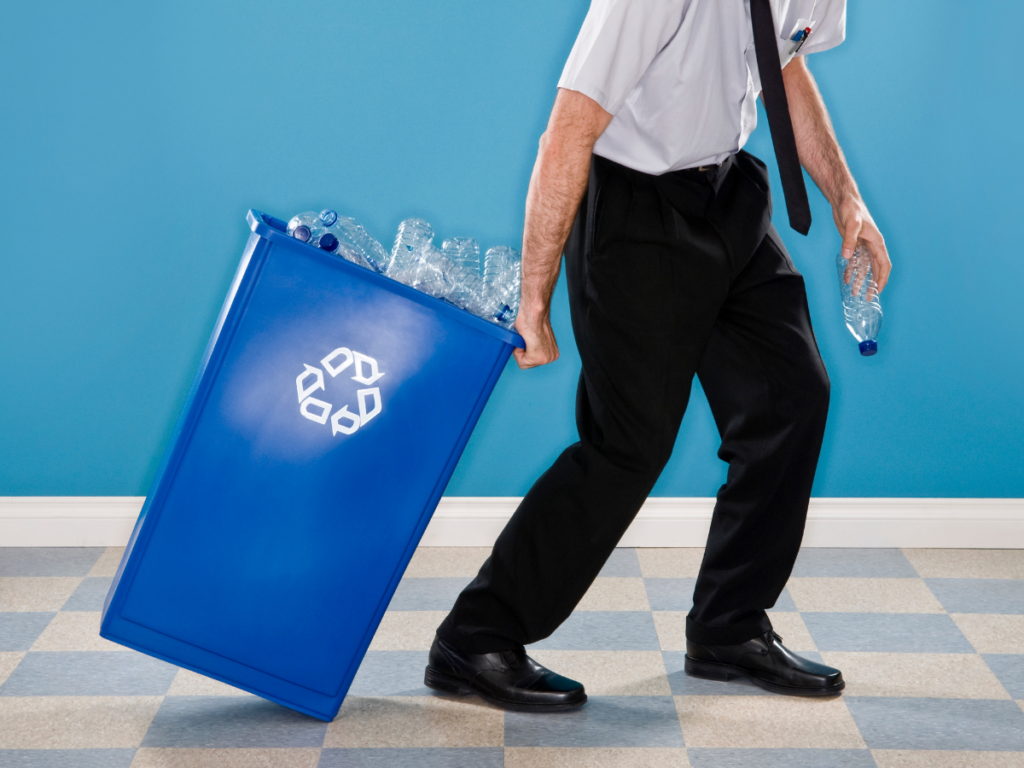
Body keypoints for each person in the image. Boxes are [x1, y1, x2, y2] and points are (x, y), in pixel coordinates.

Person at [424, 0, 892, 711]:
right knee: (628, 444)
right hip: (635, 209)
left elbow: (786, 64)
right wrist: (533, 298)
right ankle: (476, 635)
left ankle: (728, 627)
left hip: (727, 189)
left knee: (792, 395)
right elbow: (568, 130)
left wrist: (847, 200)